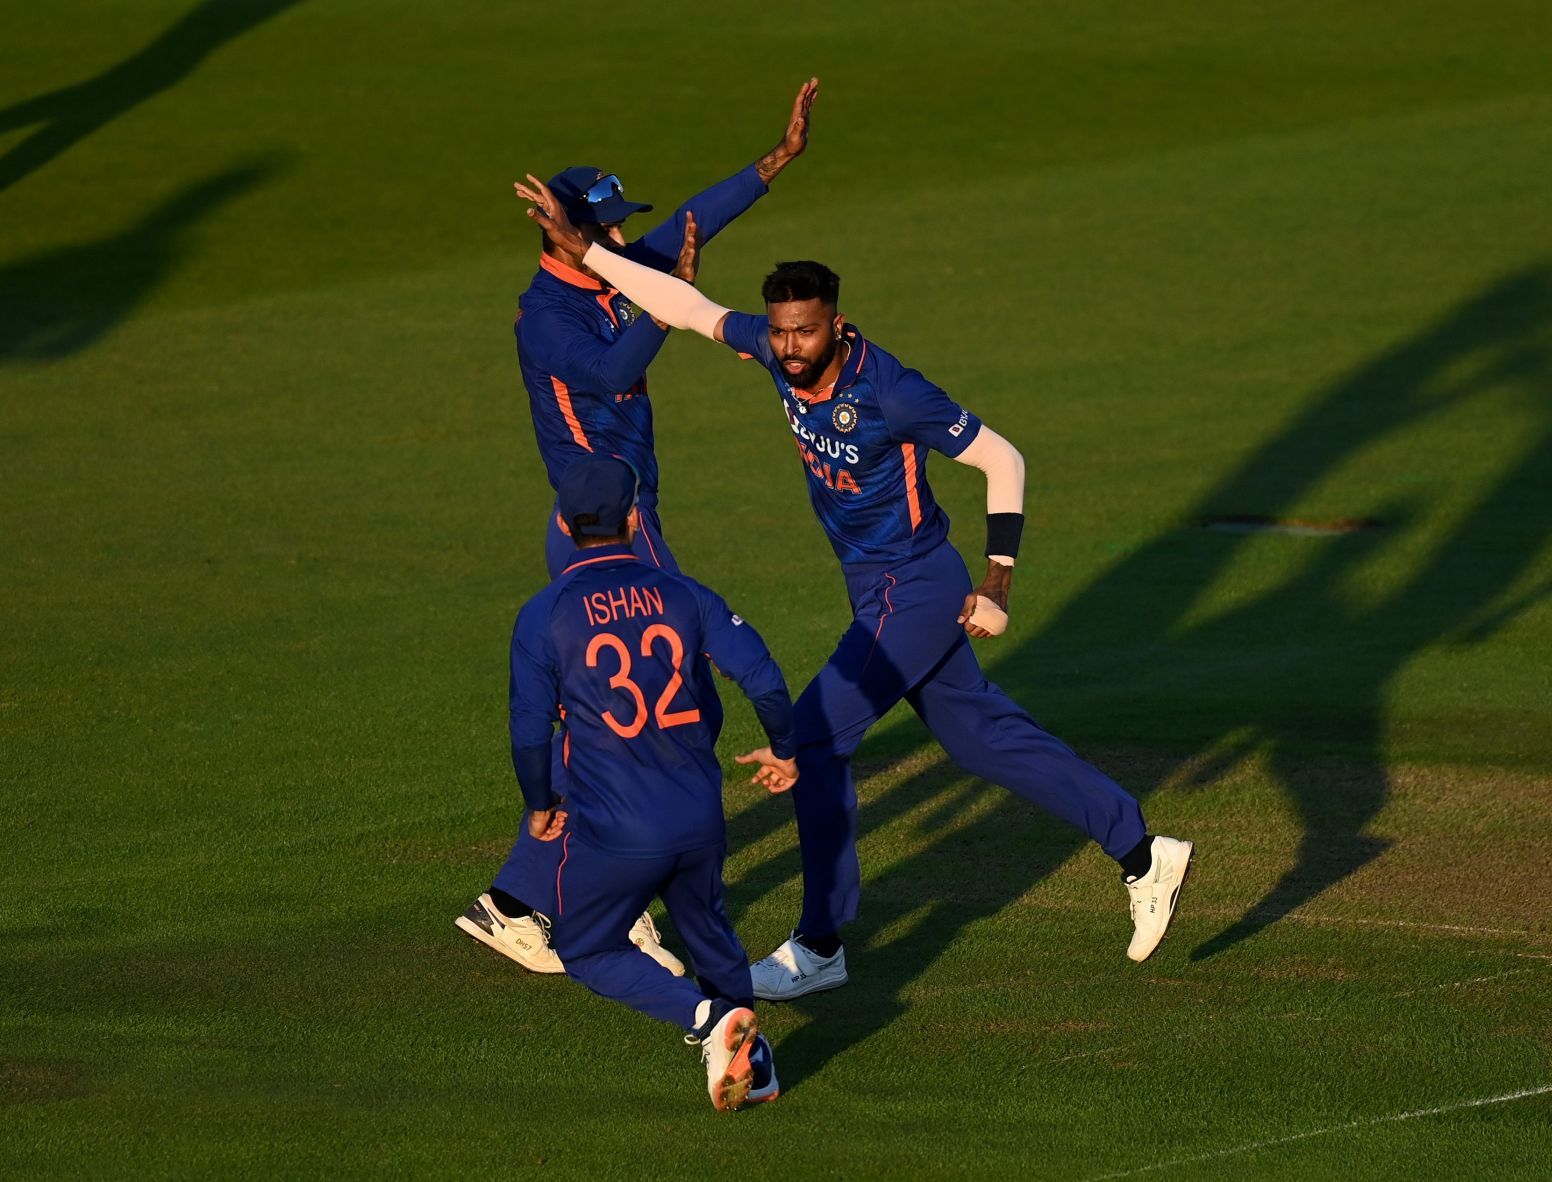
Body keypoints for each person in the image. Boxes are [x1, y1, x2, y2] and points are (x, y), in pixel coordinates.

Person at [516, 178, 1194, 1001]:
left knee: (813, 739)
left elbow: (1003, 460)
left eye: (805, 332)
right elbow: (687, 307)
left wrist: (999, 582)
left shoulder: (894, 393)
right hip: (872, 585)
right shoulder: (773, 351)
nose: (791, 347)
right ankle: (1141, 852)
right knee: (984, 740)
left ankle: (821, 942)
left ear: (837, 324)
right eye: (781, 332)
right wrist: (584, 251)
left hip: (913, 586)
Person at [459, 79, 821, 975]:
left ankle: (530, 897)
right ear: (565, 234)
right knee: (667, 697)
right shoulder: (546, 318)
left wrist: (774, 163)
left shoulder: (612, 270)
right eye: (610, 226)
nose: (626, 238)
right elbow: (618, 374)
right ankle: (556, 899)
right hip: (603, 532)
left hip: (620, 519)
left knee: (620, 717)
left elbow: (694, 221)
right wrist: (672, 295)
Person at [509, 454, 797, 1110]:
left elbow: (529, 731)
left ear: (562, 523)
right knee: (712, 937)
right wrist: (785, 749)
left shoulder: (543, 614)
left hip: (614, 828)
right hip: (697, 814)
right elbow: (763, 677)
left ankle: (707, 1023)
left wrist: (538, 804)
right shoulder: (685, 594)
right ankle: (755, 1066)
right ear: (634, 520)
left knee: (584, 947)